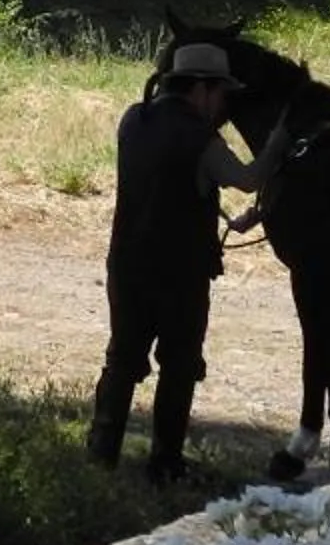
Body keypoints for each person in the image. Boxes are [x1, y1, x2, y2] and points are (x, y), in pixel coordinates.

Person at [87, 41, 284, 483]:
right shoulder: (201, 138)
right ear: (202, 89)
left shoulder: (133, 120)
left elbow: (163, 180)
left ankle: (100, 457)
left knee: (122, 360)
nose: (222, 105)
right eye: (220, 95)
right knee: (178, 364)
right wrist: (279, 143)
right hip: (179, 273)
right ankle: (165, 462)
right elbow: (248, 179)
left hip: (127, 263)